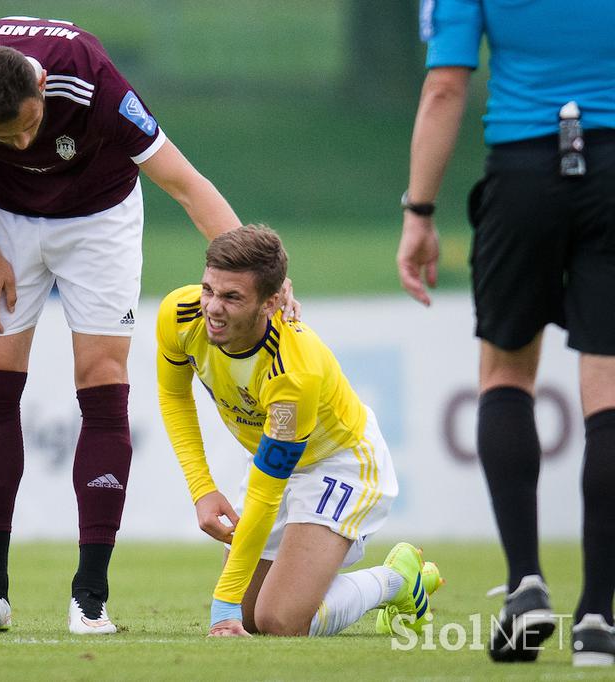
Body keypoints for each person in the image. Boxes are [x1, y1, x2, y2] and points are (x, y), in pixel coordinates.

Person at [0, 16, 247, 635]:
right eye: (1, 136)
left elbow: (187, 185)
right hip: (3, 219)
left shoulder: (94, 83)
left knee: (101, 378)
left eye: (31, 125)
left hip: (99, 218)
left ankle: (90, 596)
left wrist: (261, 276)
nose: (21, 143)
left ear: (41, 85)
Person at [396, 0, 615, 666]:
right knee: (605, 386)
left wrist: (419, 212)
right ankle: (600, 617)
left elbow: (444, 87)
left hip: (522, 174)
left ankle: (526, 587)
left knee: (505, 374)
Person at [157, 225, 440, 638]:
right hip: (276, 465)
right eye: (208, 290)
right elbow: (173, 396)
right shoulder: (180, 314)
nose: (212, 308)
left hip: (340, 462)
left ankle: (396, 579)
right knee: (251, 615)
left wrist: (221, 608)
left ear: (272, 303)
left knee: (281, 621)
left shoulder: (293, 371)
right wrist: (202, 489)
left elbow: (267, 491)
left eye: (232, 297)